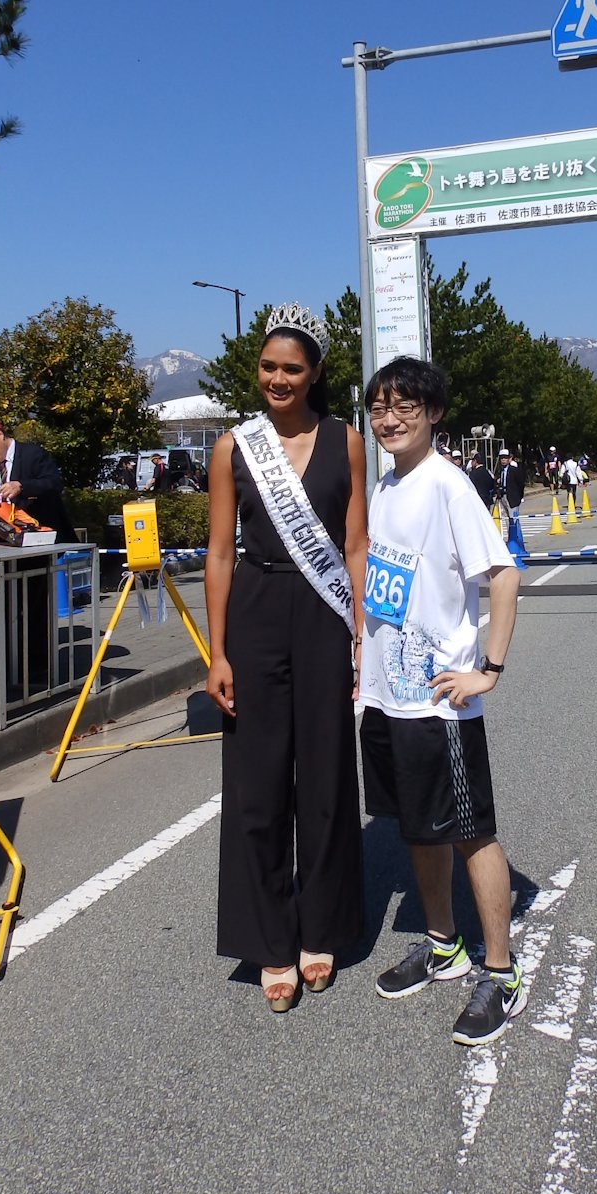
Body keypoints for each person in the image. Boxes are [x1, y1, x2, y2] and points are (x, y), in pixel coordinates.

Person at [204, 302, 366, 1013]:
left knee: (326, 774)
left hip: (325, 615)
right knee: (257, 780)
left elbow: (355, 545)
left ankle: (320, 928)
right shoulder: (233, 448)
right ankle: (271, 940)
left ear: (315, 372)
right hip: (257, 611)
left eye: (292, 369)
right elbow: (218, 553)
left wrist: (362, 633)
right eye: (268, 367)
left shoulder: (345, 441)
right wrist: (216, 651)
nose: (278, 379)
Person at [358, 356, 524, 1047]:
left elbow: (504, 573)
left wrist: (489, 669)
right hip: (388, 695)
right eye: (379, 408)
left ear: (433, 414)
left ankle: (501, 972)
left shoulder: (449, 484)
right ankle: (442, 944)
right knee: (417, 826)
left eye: (405, 407)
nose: (390, 419)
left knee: (470, 830)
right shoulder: (384, 487)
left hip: (440, 699)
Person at [0, 417, 78, 540]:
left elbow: (54, 484)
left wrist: (22, 486)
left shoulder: (33, 454)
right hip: (8, 544)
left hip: (41, 538)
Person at [495, 446, 525, 541]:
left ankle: (517, 538)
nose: (503, 460)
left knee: (514, 519)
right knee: (507, 519)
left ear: (509, 459)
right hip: (503, 496)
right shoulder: (500, 471)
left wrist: (519, 497)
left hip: (512, 497)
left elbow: (521, 484)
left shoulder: (514, 470)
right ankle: (511, 538)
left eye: (505, 458)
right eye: (502, 458)